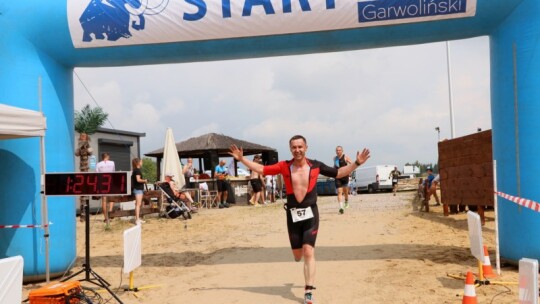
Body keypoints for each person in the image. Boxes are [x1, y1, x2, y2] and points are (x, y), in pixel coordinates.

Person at [229, 135, 370, 304]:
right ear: (290, 149)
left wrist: (357, 163)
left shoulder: (316, 165)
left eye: (300, 147)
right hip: (293, 215)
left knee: (309, 251)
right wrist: (242, 159)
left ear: (306, 147)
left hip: (311, 213)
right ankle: (302, 260)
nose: (297, 150)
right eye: (294, 147)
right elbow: (261, 169)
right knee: (298, 256)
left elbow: (339, 172)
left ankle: (308, 291)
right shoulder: (284, 166)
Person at [96, 152, 115, 224]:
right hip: (110, 182)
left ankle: (106, 218)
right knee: (111, 199)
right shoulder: (112, 163)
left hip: (102, 182)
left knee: (104, 200)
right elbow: (114, 172)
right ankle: (110, 211)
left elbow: (97, 174)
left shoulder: (98, 164)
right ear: (108, 156)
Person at [333, 146, 353, 214]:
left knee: (345, 192)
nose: (338, 151)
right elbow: (334, 166)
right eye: (337, 150)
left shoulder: (345, 157)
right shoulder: (334, 158)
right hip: (338, 177)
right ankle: (341, 208)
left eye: (339, 150)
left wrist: (350, 171)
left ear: (342, 151)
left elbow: (352, 164)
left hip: (345, 177)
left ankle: (346, 201)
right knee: (339, 192)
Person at [131, 158, 148, 225]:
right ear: (138, 163)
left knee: (138, 204)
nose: (142, 163)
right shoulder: (137, 171)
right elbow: (138, 180)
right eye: (141, 162)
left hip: (137, 189)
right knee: (138, 204)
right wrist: (144, 181)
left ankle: (138, 218)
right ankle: (137, 220)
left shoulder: (135, 170)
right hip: (138, 189)